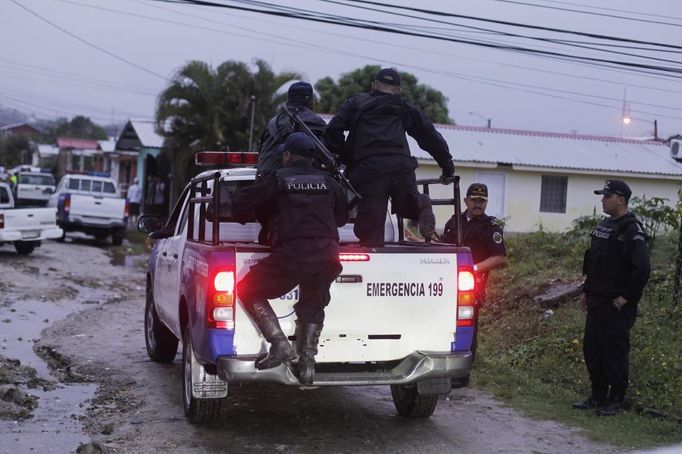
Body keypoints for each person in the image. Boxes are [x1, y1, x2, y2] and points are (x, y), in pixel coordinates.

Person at [233, 132, 348, 385]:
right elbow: (341, 218)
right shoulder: (330, 182)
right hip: (329, 257)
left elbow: (242, 205)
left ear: (286, 156)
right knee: (312, 304)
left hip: (294, 254)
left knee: (247, 287)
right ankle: (307, 365)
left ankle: (279, 344)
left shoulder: (277, 180)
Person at [323, 67, 455, 247]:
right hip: (401, 167)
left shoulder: (355, 103)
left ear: (373, 85)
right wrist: (447, 166)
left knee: (370, 229)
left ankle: (375, 264)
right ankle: (418, 204)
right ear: (398, 90)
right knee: (405, 205)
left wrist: (349, 157)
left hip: (369, 172)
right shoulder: (403, 106)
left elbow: (332, 132)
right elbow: (429, 135)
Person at [573, 179, 650, 416]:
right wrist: (586, 291)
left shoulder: (631, 230)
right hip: (596, 299)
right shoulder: (605, 226)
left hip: (616, 305)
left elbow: (642, 269)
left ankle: (615, 399)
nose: (603, 200)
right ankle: (597, 395)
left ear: (621, 200)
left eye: (607, 196)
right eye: (603, 196)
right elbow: (594, 263)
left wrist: (627, 297)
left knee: (613, 351)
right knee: (592, 349)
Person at [442, 183, 507, 301]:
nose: (478, 205)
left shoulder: (490, 226)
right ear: (466, 201)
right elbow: (442, 245)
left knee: (467, 317)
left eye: (481, 201)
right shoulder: (454, 221)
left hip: (472, 284)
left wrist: (473, 268)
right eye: (474, 200)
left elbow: (499, 257)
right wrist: (417, 240)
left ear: (486, 203)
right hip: (447, 280)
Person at [256, 81, 327, 178]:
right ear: (311, 102)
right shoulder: (316, 122)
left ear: (288, 100)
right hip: (302, 185)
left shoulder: (272, 122)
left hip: (265, 181)